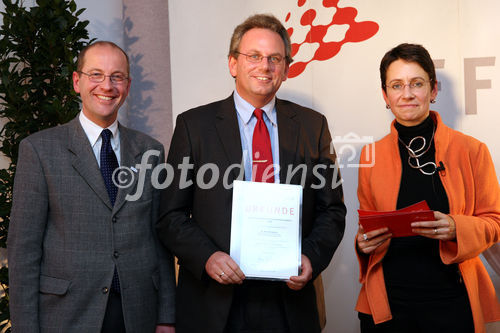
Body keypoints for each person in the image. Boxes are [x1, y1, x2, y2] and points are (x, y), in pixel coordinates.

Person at [156, 14, 346, 333]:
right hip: (214, 302)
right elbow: (170, 215)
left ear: (286, 69)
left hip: (288, 302)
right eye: (254, 56)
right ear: (233, 64)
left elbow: (333, 210)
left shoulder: (313, 127)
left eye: (275, 58)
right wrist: (207, 257)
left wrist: (311, 258)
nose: (265, 66)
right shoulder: (193, 126)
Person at [8, 41, 176, 332]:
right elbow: (24, 250)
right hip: (67, 314)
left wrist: (166, 317)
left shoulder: (151, 150)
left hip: (137, 314)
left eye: (116, 76)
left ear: (127, 84)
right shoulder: (39, 150)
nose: (106, 86)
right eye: (96, 74)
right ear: (77, 81)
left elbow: (159, 241)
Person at [355, 43, 500, 333]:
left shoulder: (472, 150)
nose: (406, 94)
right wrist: (363, 244)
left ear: (433, 90)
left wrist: (457, 227)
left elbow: (495, 223)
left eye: (416, 83)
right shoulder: (370, 156)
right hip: (389, 305)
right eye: (396, 85)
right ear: (385, 95)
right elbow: (367, 228)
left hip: (452, 302)